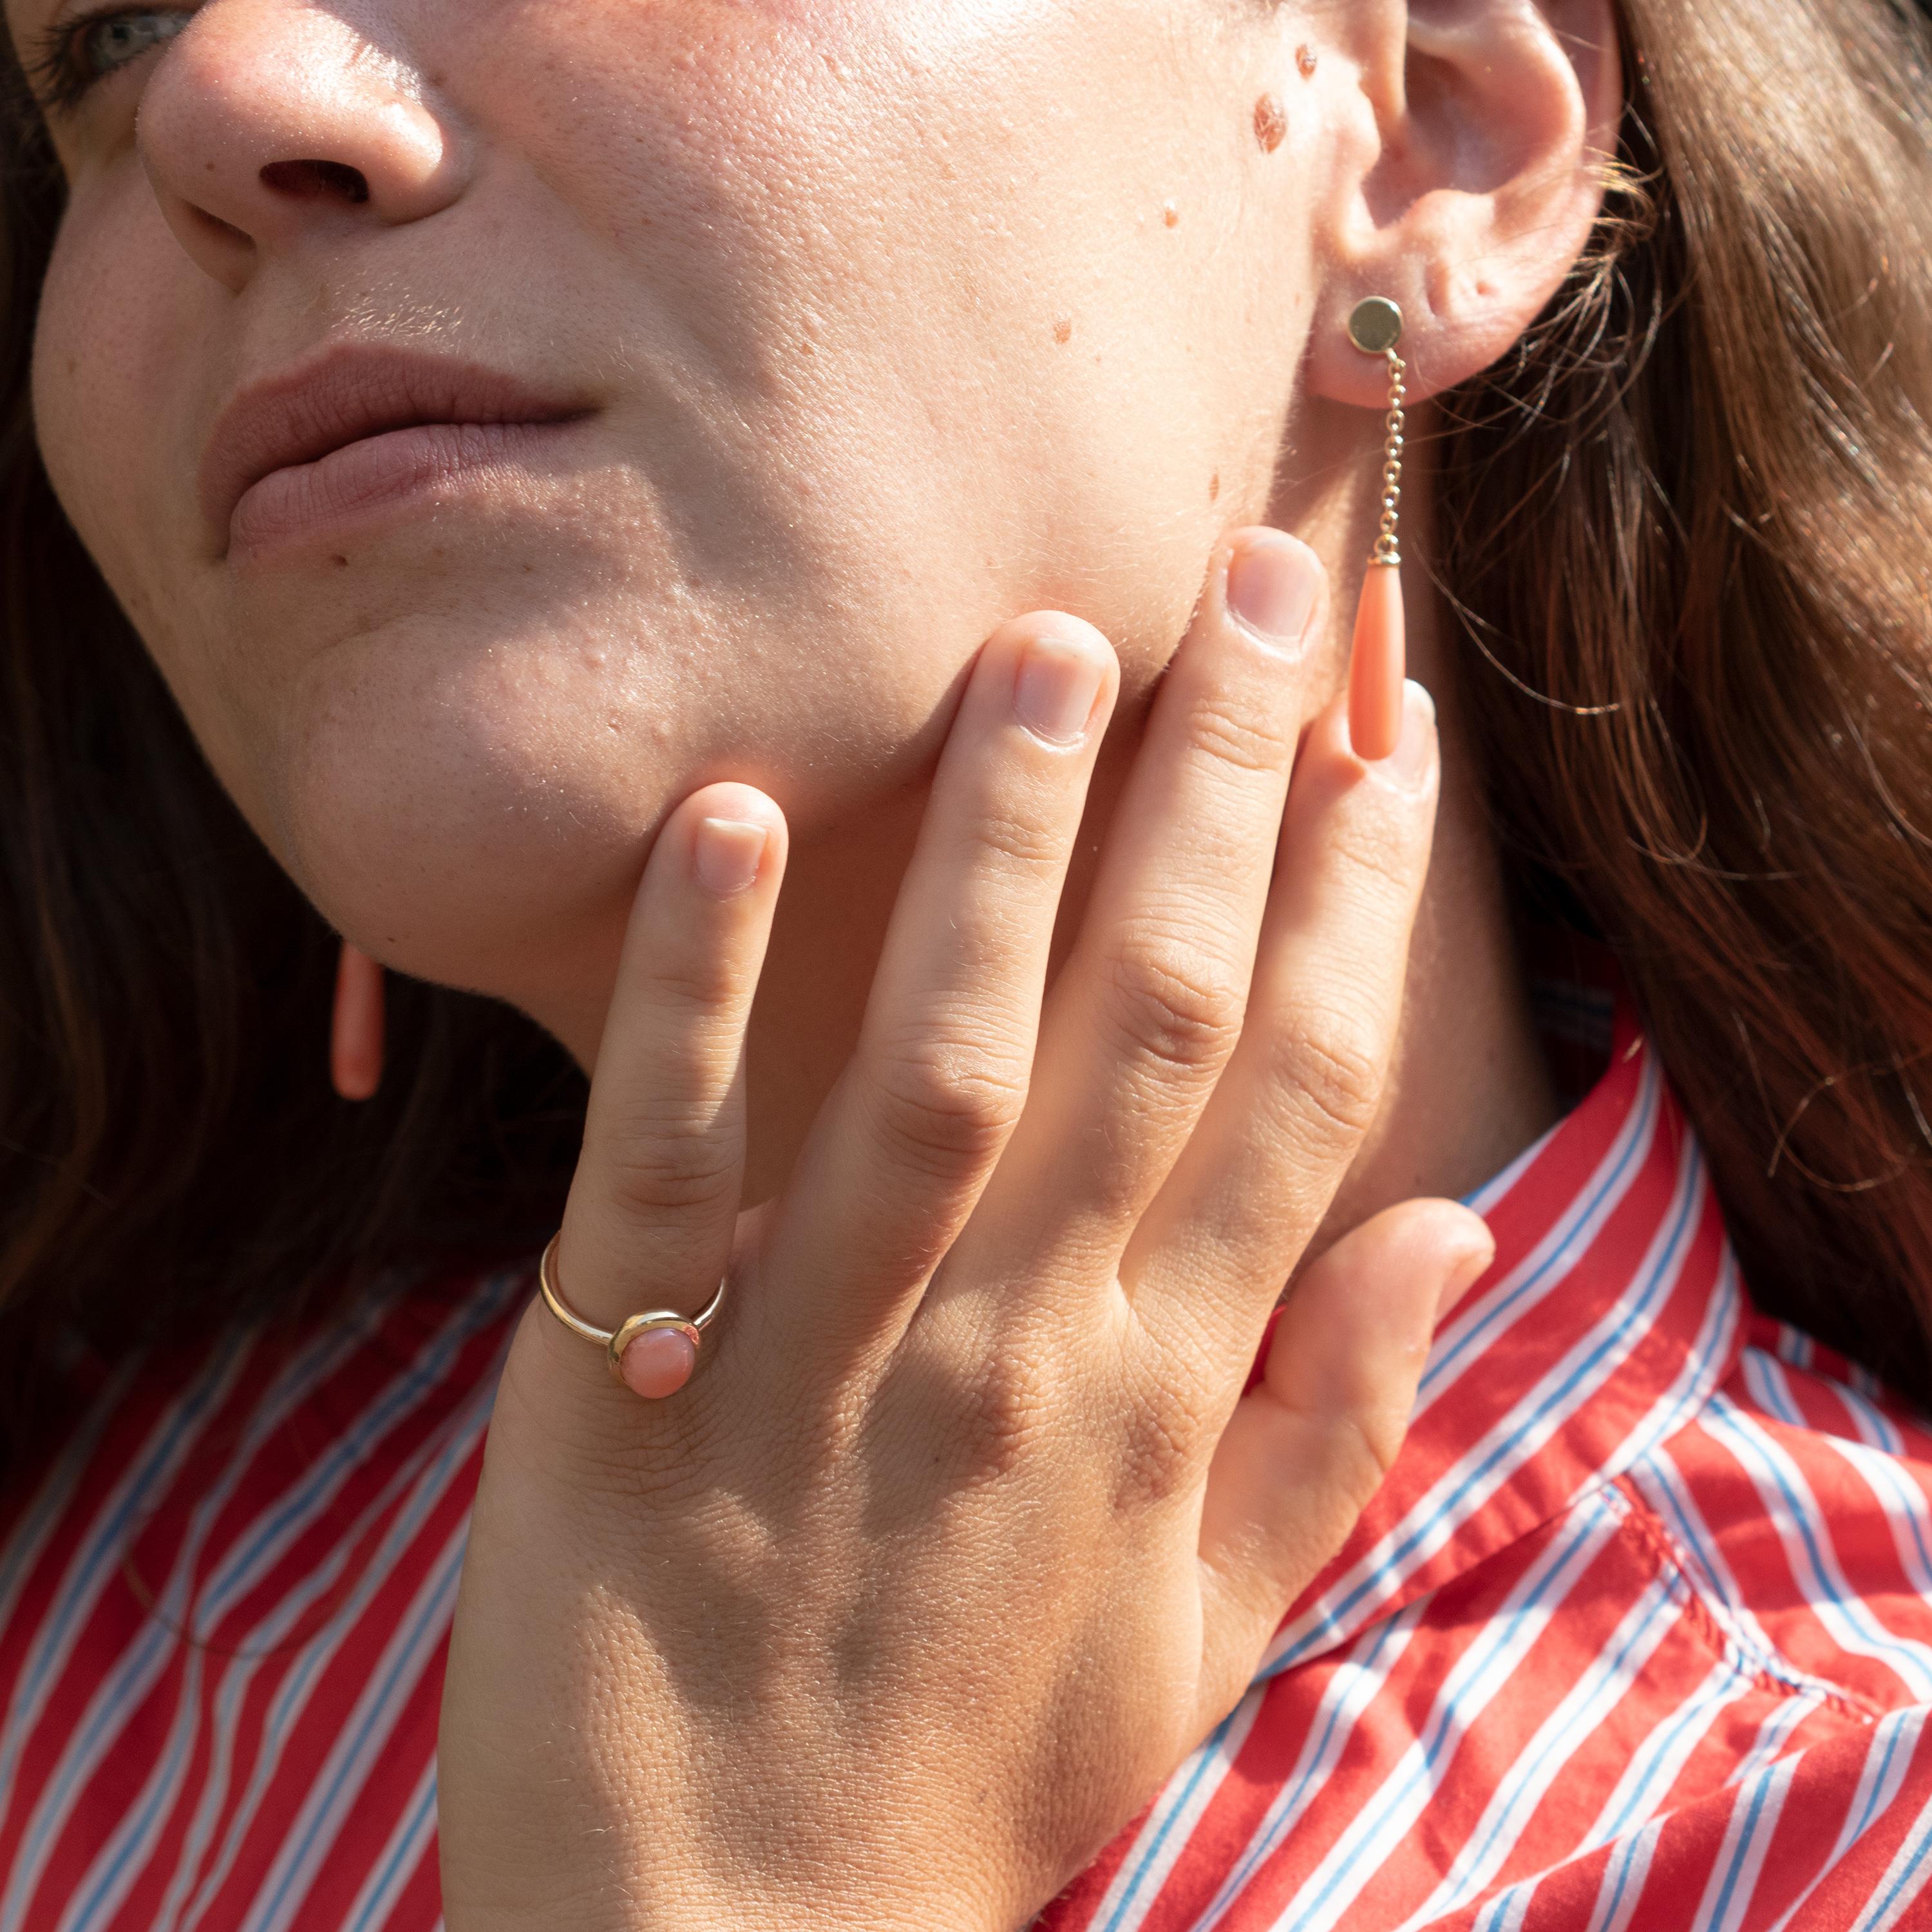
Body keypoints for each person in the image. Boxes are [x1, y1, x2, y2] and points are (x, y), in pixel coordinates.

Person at [2, 0, 1931, 1925]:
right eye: (97, 40)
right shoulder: (93, 1584)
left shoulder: (1844, 1829)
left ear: (1432, 128)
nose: (222, 94)